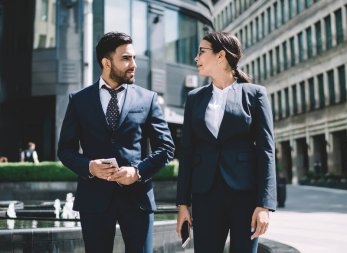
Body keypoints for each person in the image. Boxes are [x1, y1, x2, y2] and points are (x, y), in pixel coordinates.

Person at [58, 32, 175, 253]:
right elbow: (65, 150)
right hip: (94, 199)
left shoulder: (147, 99)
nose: (134, 65)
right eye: (126, 58)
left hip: (137, 197)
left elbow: (166, 148)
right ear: (106, 62)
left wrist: (138, 172)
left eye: (134, 58)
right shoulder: (79, 100)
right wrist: (89, 167)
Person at [176, 32, 276, 253]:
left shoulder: (255, 95)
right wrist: (182, 204)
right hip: (205, 195)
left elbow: (266, 151)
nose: (196, 58)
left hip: (245, 196)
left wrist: (264, 205)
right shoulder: (194, 98)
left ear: (221, 56)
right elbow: (187, 152)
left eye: (202, 52)